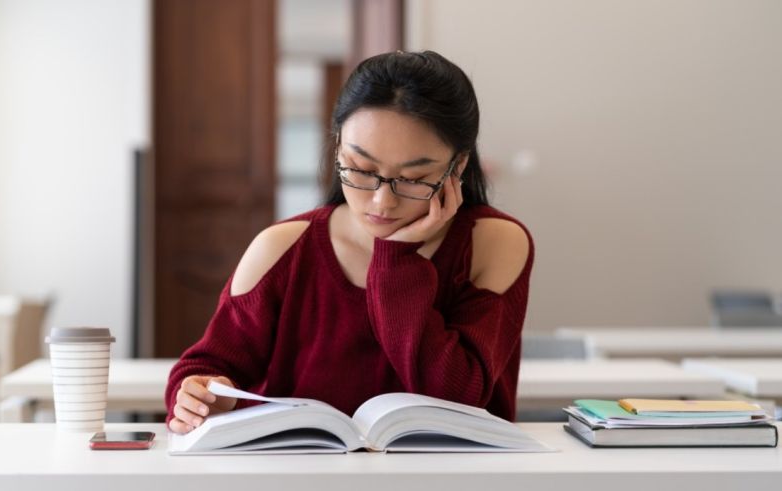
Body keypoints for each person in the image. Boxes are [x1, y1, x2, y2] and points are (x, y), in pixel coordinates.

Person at [165, 50, 533, 434]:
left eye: (413, 178)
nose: (382, 201)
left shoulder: (495, 242)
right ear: (339, 145)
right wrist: (200, 395)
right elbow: (206, 369)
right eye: (361, 170)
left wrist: (396, 261)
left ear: (457, 166)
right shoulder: (283, 247)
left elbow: (457, 399)